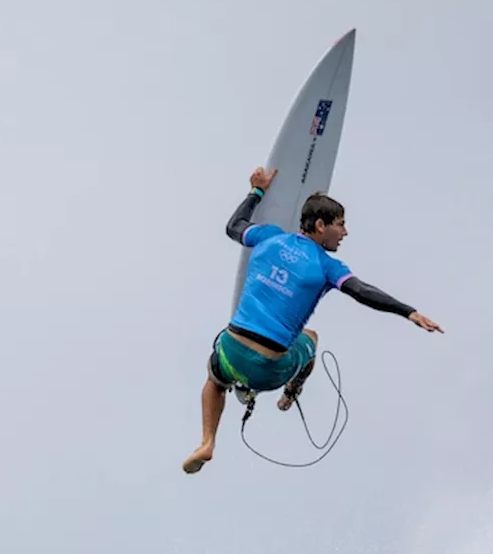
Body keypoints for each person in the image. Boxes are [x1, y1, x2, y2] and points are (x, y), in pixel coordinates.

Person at [182, 166, 443, 474]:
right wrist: (408, 311)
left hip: (231, 349)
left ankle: (207, 441)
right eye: (341, 225)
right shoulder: (326, 266)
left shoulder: (268, 238)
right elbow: (361, 291)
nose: (345, 233)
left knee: (214, 380)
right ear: (320, 225)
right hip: (270, 369)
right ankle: (291, 390)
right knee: (312, 339)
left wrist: (257, 191)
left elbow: (233, 226)